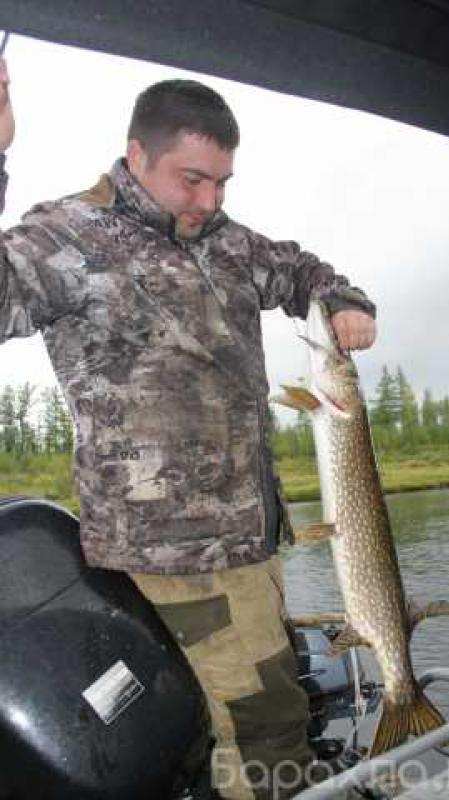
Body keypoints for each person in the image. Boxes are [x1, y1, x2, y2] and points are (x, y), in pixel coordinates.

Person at [0, 59, 377, 799]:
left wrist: (340, 299)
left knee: (264, 698)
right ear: (136, 155)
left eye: (222, 182)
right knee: (266, 719)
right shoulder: (68, 235)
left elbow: (297, 270)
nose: (208, 199)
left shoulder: (226, 242)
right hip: (174, 546)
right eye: (191, 178)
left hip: (250, 532)